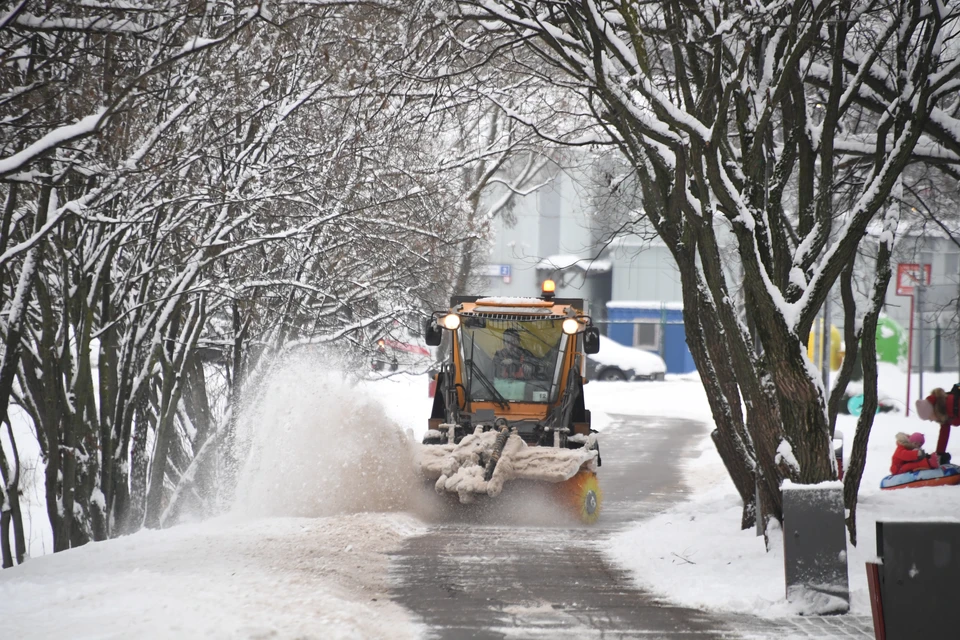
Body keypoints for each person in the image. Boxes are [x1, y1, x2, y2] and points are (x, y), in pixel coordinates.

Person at [915, 387, 958, 464]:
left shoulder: (953, 405)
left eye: (929, 417)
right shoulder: (944, 411)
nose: (931, 420)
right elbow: (944, 433)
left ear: (932, 411)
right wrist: (939, 454)